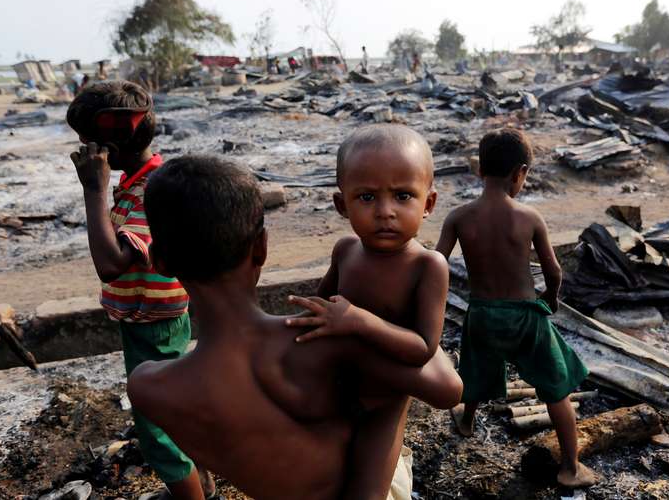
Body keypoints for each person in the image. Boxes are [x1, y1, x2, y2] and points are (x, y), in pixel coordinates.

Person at [128, 156, 463, 500]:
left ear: (160, 262)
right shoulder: (323, 343)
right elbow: (447, 389)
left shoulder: (150, 387)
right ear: (262, 246)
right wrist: (383, 319)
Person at [66, 81, 214, 499]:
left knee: (157, 431)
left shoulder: (152, 191)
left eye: (88, 141)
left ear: (112, 143)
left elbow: (111, 265)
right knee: (176, 411)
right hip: (146, 319)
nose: (84, 150)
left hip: (157, 326)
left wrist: (93, 190)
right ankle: (202, 487)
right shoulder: (137, 181)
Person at [285, 124, 449, 496]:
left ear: (429, 204)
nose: (386, 212)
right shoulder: (346, 251)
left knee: (368, 492)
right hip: (336, 389)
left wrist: (359, 321)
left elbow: (423, 346)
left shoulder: (428, 266)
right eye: (367, 197)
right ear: (342, 204)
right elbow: (323, 308)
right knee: (323, 478)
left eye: (403, 195)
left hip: (384, 402)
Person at [435, 128, 597, 488]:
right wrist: (551, 298)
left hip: (481, 314)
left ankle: (466, 420)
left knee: (475, 371)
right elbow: (554, 271)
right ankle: (570, 467)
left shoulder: (458, 217)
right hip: (525, 316)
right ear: (519, 173)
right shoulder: (529, 217)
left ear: (479, 170)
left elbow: (435, 264)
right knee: (556, 387)